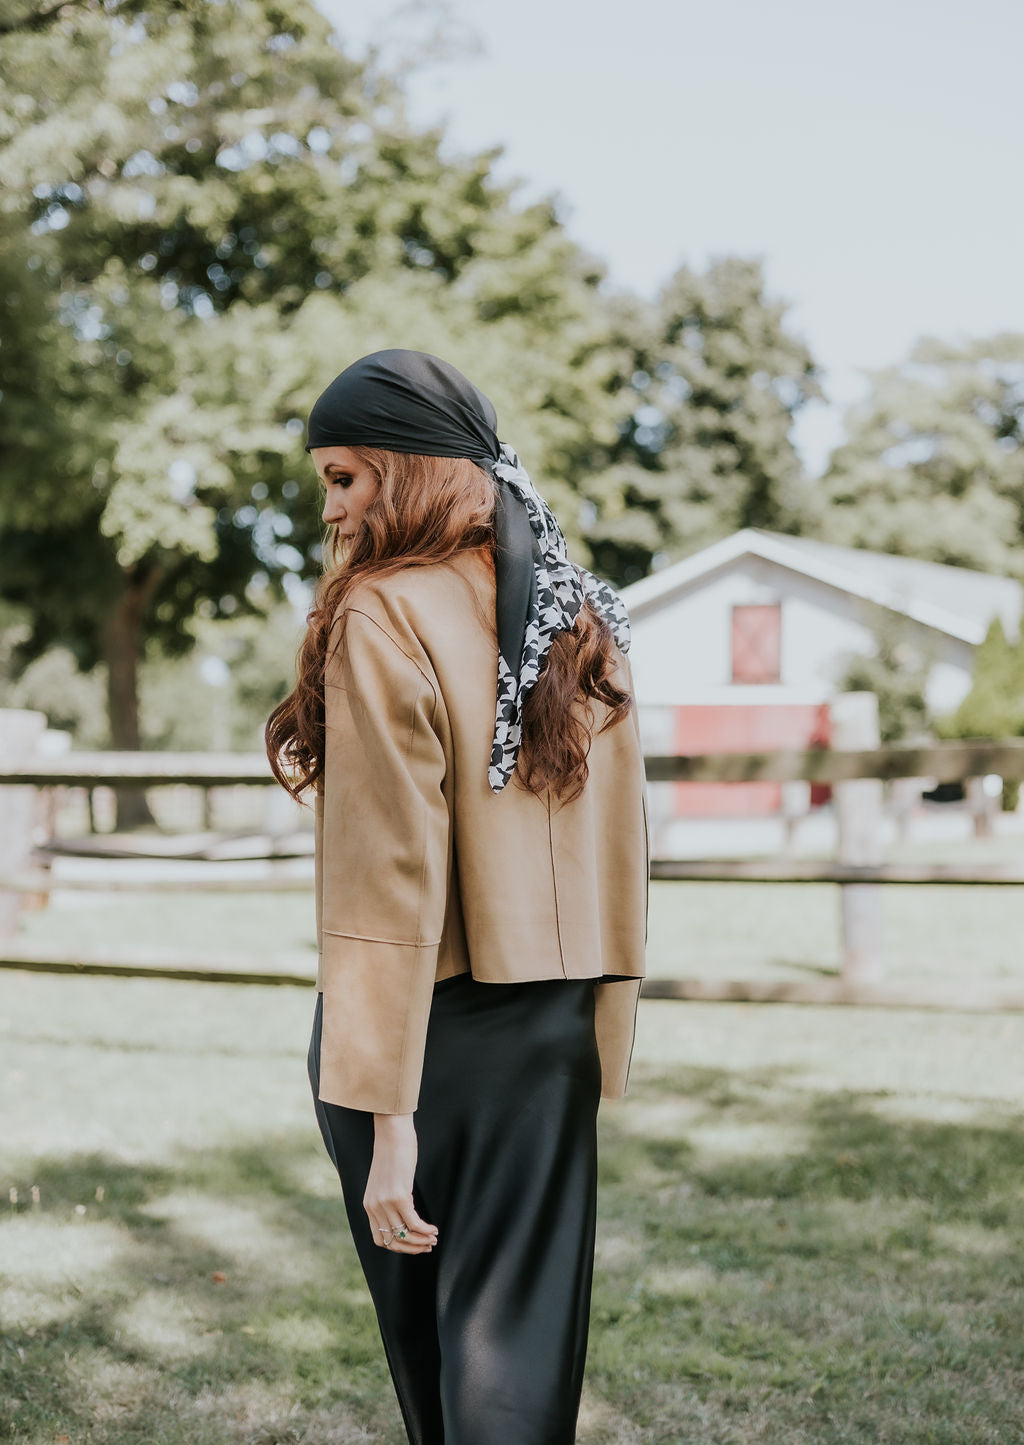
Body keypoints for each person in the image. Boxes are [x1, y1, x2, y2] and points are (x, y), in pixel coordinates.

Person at [265, 349, 649, 1445]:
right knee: (522, 1368)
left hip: (420, 1045)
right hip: (553, 1032)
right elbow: (618, 842)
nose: (330, 507)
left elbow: (389, 872)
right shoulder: (584, 618)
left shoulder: (384, 612)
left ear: (410, 468)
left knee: (443, 1374)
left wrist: (391, 1119)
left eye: (344, 477)